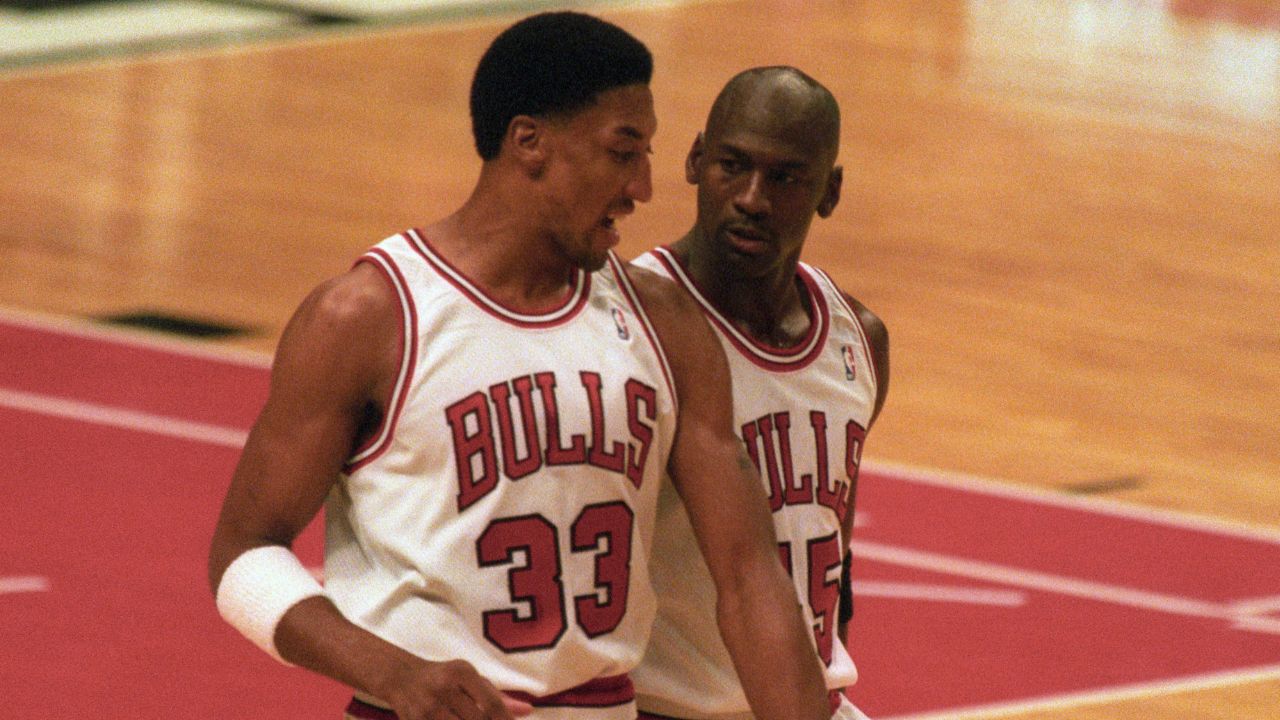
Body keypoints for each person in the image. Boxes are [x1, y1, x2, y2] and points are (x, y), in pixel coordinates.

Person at [207, 14, 831, 720]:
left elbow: (750, 579)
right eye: (623, 152)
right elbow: (242, 556)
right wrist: (395, 671)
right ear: (528, 141)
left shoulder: (665, 322)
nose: (644, 187)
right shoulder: (370, 317)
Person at [630, 66, 890, 720]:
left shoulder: (859, 337)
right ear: (693, 160)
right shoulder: (631, 323)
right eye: (733, 166)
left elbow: (834, 548)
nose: (752, 197)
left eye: (786, 178)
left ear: (829, 191)